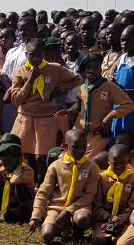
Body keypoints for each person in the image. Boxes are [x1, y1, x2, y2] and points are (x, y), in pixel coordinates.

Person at [10, 38, 82, 184]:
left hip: (46, 118)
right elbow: (16, 100)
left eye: (39, 55)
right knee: (27, 156)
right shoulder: (21, 72)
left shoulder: (53, 69)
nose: (35, 59)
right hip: (26, 117)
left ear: (44, 54)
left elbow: (77, 79)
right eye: (31, 55)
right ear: (26, 54)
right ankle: (29, 185)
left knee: (42, 157)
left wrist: (60, 89)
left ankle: (40, 185)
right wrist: (30, 81)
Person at [30, 129, 100, 244]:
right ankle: (62, 226)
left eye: (84, 146)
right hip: (57, 207)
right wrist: (35, 216)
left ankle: (77, 232)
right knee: (47, 235)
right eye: (75, 147)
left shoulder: (92, 168)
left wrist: (69, 211)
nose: (80, 150)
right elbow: (43, 192)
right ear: (66, 147)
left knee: (82, 218)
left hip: (79, 207)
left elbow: (90, 195)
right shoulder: (56, 166)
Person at [60, 53, 134, 158]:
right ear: (84, 71)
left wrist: (112, 115)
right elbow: (79, 107)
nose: (91, 71)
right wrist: (69, 111)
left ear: (101, 69)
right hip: (79, 135)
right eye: (88, 68)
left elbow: (129, 105)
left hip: (97, 136)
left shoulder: (110, 87)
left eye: (95, 67)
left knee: (90, 165)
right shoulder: (81, 88)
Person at [91, 144, 134, 245]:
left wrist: (120, 219)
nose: (118, 166)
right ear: (108, 161)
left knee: (115, 240)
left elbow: (133, 206)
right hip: (105, 218)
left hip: (124, 219)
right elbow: (97, 205)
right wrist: (108, 217)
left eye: (122, 163)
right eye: (115, 163)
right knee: (99, 241)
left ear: (128, 162)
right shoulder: (102, 178)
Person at [0, 134, 35, 223]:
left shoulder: (25, 167)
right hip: (9, 200)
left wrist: (6, 162)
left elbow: (14, 181)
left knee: (20, 187)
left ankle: (24, 217)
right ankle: (6, 214)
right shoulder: (4, 165)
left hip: (23, 203)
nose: (4, 149)